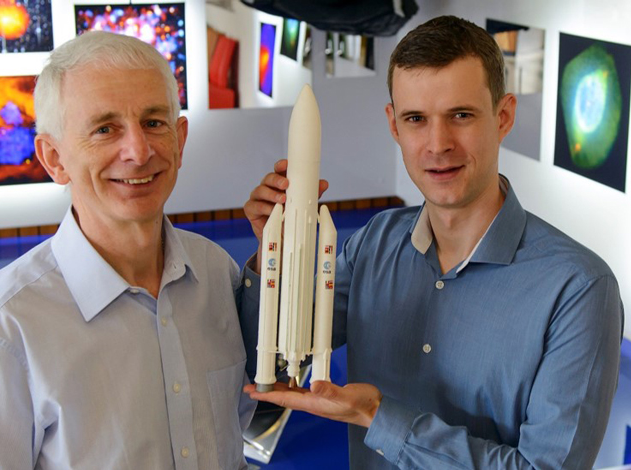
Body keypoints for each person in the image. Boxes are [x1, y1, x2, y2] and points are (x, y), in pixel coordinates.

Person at [239, 15, 624, 469]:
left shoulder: (579, 289)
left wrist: (378, 417)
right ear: (394, 125)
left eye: (461, 115)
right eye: (416, 119)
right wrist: (272, 258)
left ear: (503, 117)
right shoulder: (375, 243)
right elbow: (271, 355)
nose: (438, 144)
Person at [0, 31, 254, 469]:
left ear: (180, 139)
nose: (138, 151)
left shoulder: (216, 272)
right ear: (54, 159)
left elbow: (233, 429)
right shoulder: (4, 331)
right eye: (105, 129)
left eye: (153, 122)